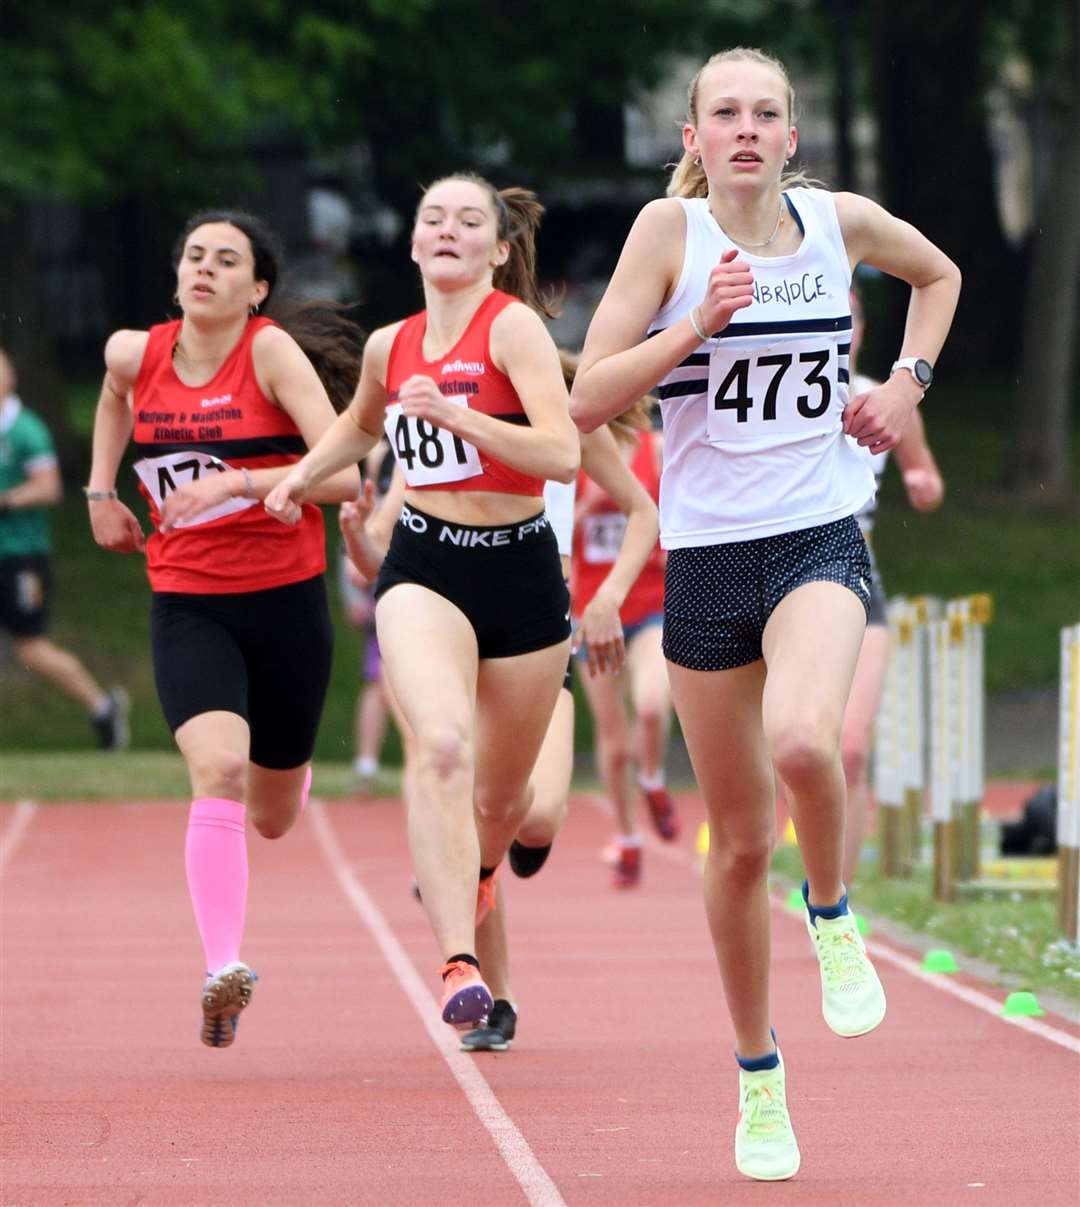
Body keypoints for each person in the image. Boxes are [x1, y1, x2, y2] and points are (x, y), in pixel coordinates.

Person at [569, 47, 960, 1181]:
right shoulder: (668, 238)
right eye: (724, 113)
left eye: (768, 112)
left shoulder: (841, 222)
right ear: (692, 136)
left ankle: (833, 912)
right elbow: (589, 395)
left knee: (806, 738)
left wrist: (905, 386)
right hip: (704, 561)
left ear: (794, 135)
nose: (747, 128)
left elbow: (938, 279)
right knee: (736, 841)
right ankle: (759, 1077)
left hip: (817, 534)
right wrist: (694, 324)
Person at [267, 174, 581, 1033]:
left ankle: (473, 872)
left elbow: (561, 452)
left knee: (501, 804)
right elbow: (362, 427)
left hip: (521, 575)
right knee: (440, 746)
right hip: (426, 568)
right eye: (432, 219)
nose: (448, 230)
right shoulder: (390, 346)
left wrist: (460, 417)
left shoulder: (511, 329)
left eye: (468, 220)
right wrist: (301, 475)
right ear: (412, 243)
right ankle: (458, 963)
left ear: (498, 247)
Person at [86, 210, 362, 1048]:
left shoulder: (271, 353)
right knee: (216, 770)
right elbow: (110, 398)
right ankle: (222, 969)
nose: (204, 268)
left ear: (258, 289)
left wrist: (241, 483)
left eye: (226, 260)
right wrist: (101, 493)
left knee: (273, 813)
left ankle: (291, 778)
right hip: (188, 599)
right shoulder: (135, 353)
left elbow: (343, 475)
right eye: (194, 256)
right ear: (176, 276)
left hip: (285, 600)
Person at [839, 287, 944, 884]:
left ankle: (835, 906)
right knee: (796, 750)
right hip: (773, 575)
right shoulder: (768, 388)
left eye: (851, 319)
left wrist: (926, 483)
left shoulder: (886, 396)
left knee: (852, 748)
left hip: (858, 578)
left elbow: (922, 473)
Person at [0, 348, 129, 750]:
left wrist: (5, 501)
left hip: (21, 554)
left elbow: (49, 486)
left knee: (32, 647)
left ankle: (103, 708)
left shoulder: (26, 430)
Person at [572, 411, 679, 888]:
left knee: (653, 705)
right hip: (593, 616)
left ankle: (653, 779)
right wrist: (588, 506)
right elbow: (549, 537)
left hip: (650, 607)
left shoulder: (654, 448)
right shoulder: (568, 454)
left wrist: (663, 547)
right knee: (614, 744)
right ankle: (627, 837)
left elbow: (678, 516)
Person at [338, 439, 397, 792]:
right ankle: (366, 764)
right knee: (379, 683)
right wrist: (351, 591)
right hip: (387, 586)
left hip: (435, 581)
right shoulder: (378, 453)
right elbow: (358, 520)